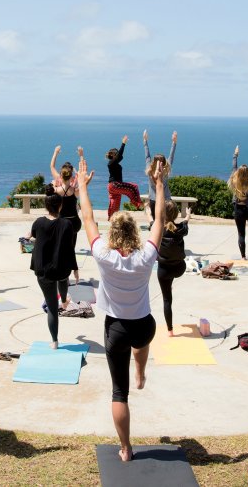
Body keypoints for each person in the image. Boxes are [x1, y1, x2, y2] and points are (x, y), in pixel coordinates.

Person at [76, 147, 167, 463]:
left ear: (113, 234)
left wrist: (82, 186)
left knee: (119, 392)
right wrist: (158, 182)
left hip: (116, 328)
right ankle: (141, 370)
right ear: (135, 233)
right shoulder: (145, 257)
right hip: (143, 324)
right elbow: (159, 219)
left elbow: (87, 217)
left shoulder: (103, 254)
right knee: (141, 347)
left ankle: (126, 449)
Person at [28, 193, 77, 347]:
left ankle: (54, 341)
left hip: (43, 270)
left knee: (51, 308)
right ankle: (64, 300)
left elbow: (33, 235)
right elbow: (70, 249)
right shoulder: (66, 224)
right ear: (60, 206)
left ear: (46, 207)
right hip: (60, 267)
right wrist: (75, 268)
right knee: (63, 279)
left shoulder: (39, 222)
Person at [49, 146, 82, 286]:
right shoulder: (75, 188)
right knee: (71, 248)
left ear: (61, 175)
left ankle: (65, 274)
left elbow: (51, 166)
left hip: (62, 222)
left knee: (61, 247)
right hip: (74, 222)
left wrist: (55, 152)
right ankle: (73, 271)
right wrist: (81, 156)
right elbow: (82, 176)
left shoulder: (57, 189)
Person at [156, 200, 190, 337]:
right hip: (179, 268)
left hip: (164, 270)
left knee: (167, 300)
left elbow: (151, 220)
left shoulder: (157, 228)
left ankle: (170, 331)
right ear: (176, 215)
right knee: (170, 280)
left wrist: (148, 211)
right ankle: (169, 284)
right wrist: (187, 215)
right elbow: (186, 222)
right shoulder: (181, 229)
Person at [143, 129, 177, 227]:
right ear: (164, 162)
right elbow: (171, 156)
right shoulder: (166, 170)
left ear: (154, 161)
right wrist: (174, 142)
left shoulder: (149, 169)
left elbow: (147, 156)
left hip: (153, 200)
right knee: (169, 222)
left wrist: (145, 141)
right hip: (166, 200)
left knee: (155, 224)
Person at [105, 134, 143, 218]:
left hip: (112, 187)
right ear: (114, 155)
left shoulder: (113, 163)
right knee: (134, 187)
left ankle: (111, 218)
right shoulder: (111, 163)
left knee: (115, 205)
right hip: (115, 185)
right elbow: (119, 156)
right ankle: (138, 204)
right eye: (117, 154)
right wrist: (123, 143)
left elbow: (119, 157)